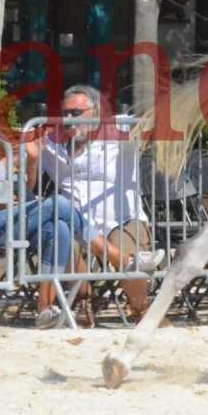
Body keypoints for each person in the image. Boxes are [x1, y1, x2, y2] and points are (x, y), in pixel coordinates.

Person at [0, 87, 88, 328]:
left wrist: (32, 160)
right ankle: (101, 247)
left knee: (59, 228)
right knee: (59, 204)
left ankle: (45, 309)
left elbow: (24, 189)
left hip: (6, 217)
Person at [29, 85, 151, 323]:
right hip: (77, 224)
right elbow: (25, 178)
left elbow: (151, 124)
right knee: (62, 234)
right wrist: (31, 157)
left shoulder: (120, 128)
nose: (69, 119)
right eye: (66, 113)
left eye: (76, 113)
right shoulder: (51, 146)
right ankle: (83, 301)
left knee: (126, 243)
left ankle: (141, 311)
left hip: (122, 219)